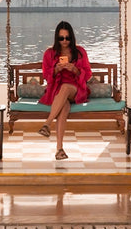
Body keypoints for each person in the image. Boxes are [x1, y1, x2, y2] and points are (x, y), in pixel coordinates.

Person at [37, 20, 92, 160]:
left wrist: (75, 70)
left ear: (71, 37)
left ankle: (47, 123)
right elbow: (46, 75)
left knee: (66, 87)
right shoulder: (49, 53)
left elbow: (88, 73)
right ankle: (59, 150)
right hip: (57, 91)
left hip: (76, 89)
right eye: (61, 38)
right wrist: (55, 70)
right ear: (57, 38)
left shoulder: (80, 52)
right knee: (64, 107)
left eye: (67, 38)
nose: (65, 41)